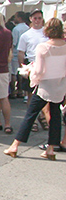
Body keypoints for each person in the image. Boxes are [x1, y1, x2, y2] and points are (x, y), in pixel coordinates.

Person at [4, 18, 66, 160]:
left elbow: (39, 70)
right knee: (55, 116)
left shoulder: (43, 47)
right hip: (59, 85)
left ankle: (15, 145)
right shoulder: (64, 46)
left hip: (44, 86)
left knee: (30, 115)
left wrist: (31, 75)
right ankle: (51, 148)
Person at [18, 9, 49, 131]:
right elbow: (21, 52)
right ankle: (34, 120)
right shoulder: (26, 35)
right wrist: (23, 68)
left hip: (46, 65)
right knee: (31, 95)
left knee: (45, 95)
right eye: (35, 18)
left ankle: (43, 117)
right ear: (31, 19)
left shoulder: (46, 33)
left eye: (39, 18)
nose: (37, 20)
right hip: (31, 65)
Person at [10, 12, 29, 99]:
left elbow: (13, 43)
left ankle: (14, 91)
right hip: (25, 53)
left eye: (16, 17)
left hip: (15, 53)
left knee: (14, 73)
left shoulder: (16, 29)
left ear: (20, 18)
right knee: (22, 72)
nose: (15, 18)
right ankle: (21, 91)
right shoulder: (28, 28)